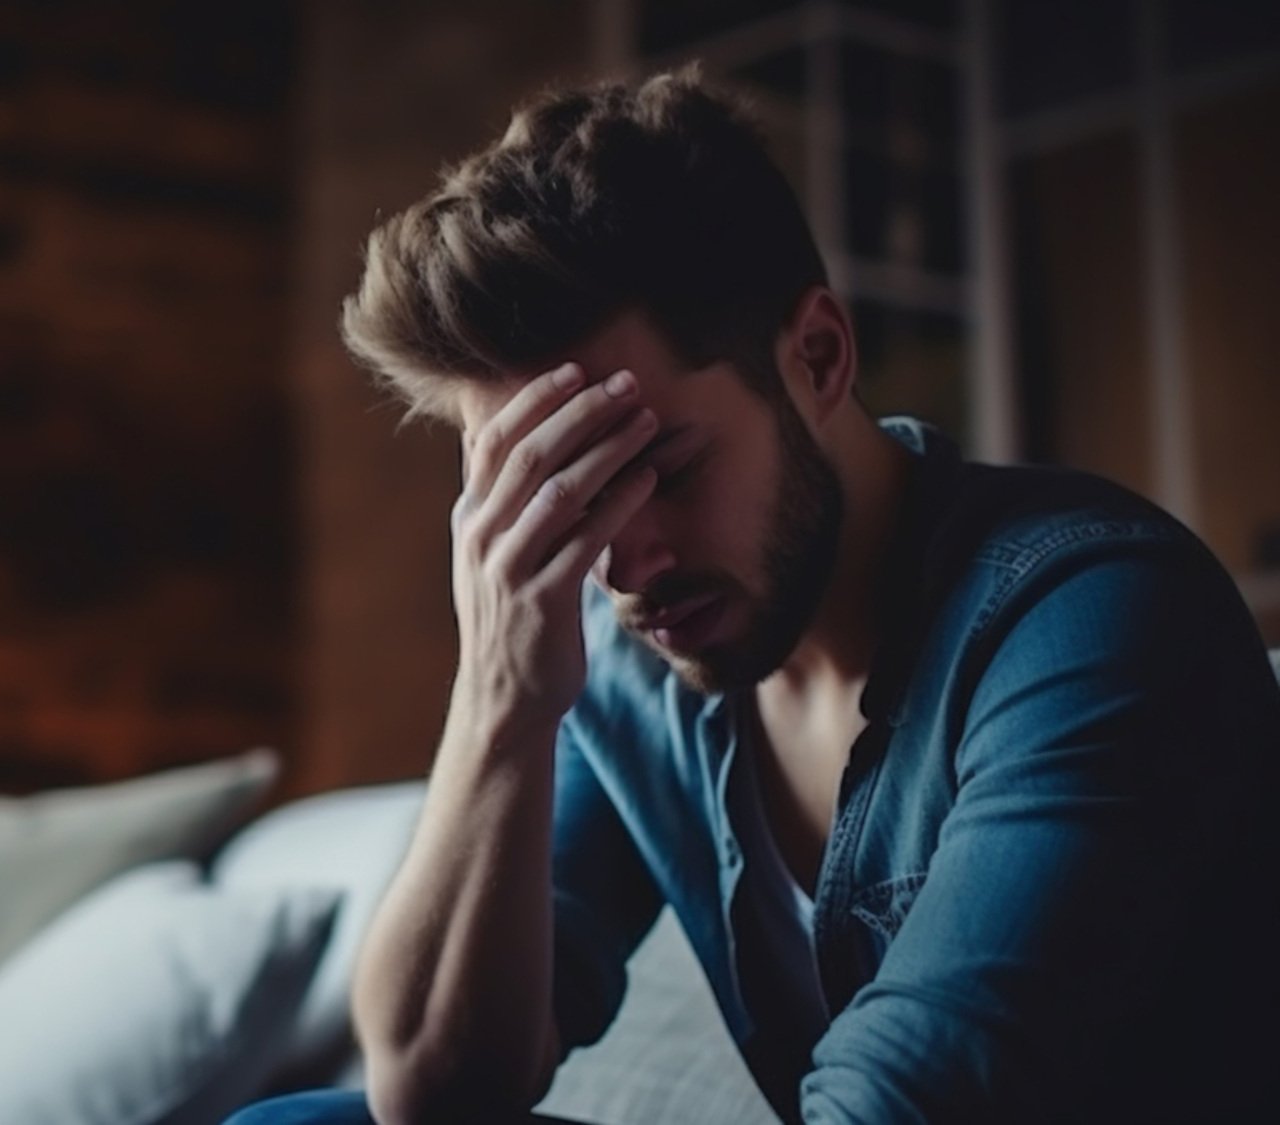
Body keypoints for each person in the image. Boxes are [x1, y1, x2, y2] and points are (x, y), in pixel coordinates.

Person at [227, 68, 1280, 1125]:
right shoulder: (627, 660)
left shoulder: (1092, 621)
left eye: (664, 471)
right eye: (563, 504)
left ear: (815, 357)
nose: (622, 568)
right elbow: (428, 1090)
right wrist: (498, 695)